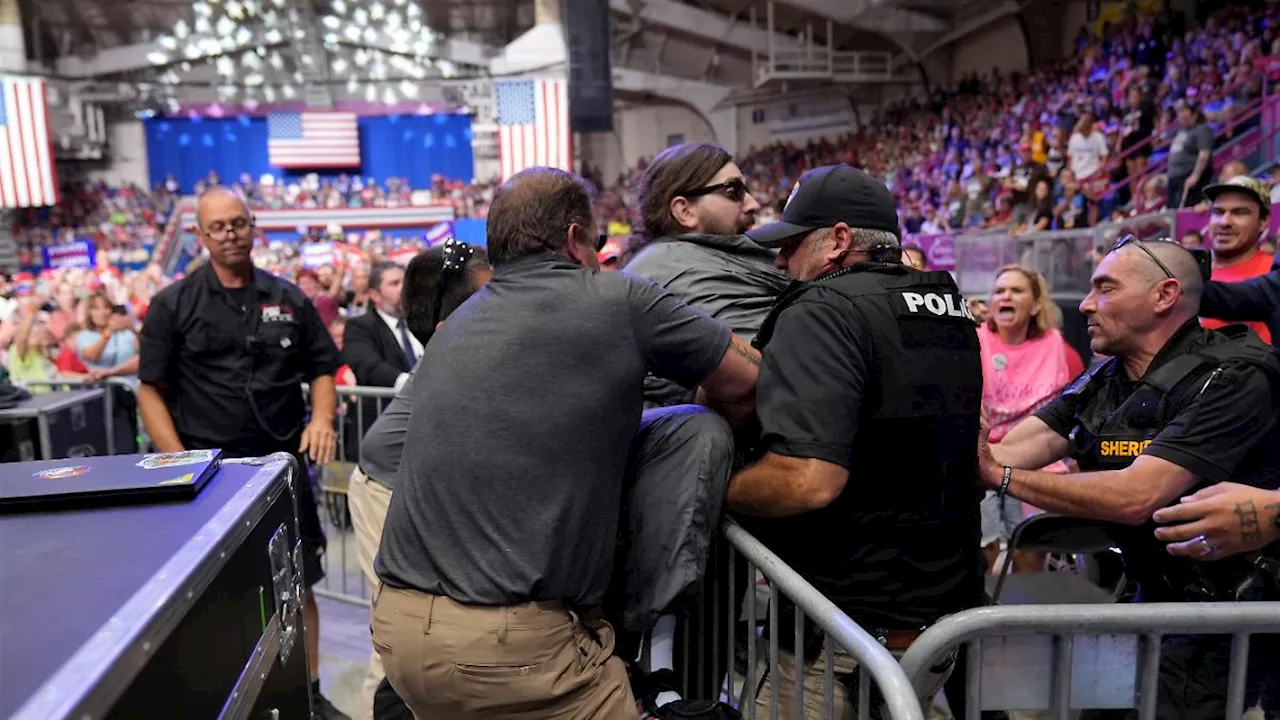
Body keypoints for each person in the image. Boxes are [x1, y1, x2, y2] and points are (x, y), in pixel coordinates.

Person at [371, 167, 759, 720]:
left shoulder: (456, 323)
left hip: (399, 632)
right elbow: (751, 379)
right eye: (597, 241)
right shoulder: (619, 299)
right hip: (508, 644)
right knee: (694, 424)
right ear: (577, 239)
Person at [980, 235, 1280, 718]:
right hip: (1154, 603)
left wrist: (1000, 474)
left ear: (1163, 296)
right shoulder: (1109, 375)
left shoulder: (1235, 376)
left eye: (1105, 288)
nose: (1084, 304)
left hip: (1235, 625)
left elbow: (1136, 495)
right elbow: (1012, 449)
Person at [727, 164, 984, 718]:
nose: (779, 261)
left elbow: (808, 480)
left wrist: (709, 489)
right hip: (935, 624)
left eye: (792, 244)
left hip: (841, 635)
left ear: (839, 241)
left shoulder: (821, 308)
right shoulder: (948, 305)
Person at [136, 186, 349, 720]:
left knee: (301, 584)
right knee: (214, 594)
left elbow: (322, 367)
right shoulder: (173, 305)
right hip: (208, 480)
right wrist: (180, 463)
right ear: (201, 235)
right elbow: (149, 389)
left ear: (254, 226)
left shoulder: (289, 298)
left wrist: (321, 417)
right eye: (219, 227)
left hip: (281, 471)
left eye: (239, 223)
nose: (230, 234)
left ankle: (311, 692)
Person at [346, 241, 492, 720]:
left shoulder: (475, 345)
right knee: (395, 633)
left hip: (415, 486)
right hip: (384, 489)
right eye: (489, 292)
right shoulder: (456, 349)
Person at [624, 142, 786, 408]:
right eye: (733, 191)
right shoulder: (667, 266)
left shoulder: (714, 255)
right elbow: (775, 372)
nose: (753, 204)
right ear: (685, 211)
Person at [977, 266, 1082, 574]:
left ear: (1036, 305)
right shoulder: (973, 338)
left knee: (1029, 547)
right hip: (983, 453)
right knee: (987, 544)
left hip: (1036, 456)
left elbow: (1069, 409)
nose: (1005, 296)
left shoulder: (1056, 346)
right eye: (999, 291)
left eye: (1016, 290)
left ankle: (1027, 610)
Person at [1197, 175, 1277, 345]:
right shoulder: (1189, 272)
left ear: (1264, 221)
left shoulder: (1273, 277)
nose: (1225, 222)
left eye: (1240, 212)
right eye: (1218, 212)